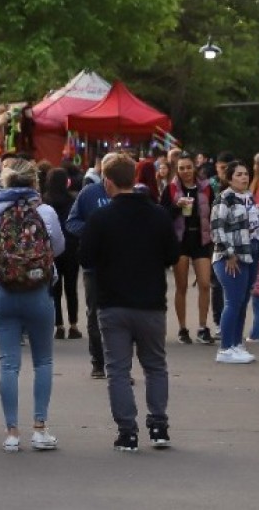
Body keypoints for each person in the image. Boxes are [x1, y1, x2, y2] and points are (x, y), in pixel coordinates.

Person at [82, 154, 178, 452]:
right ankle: (159, 425)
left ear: (108, 182)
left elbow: (85, 258)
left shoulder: (100, 218)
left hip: (113, 304)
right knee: (155, 366)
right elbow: (172, 256)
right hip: (151, 303)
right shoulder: (158, 214)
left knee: (118, 370)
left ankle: (128, 432)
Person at [0, 156, 67, 453]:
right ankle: (40, 430)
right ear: (34, 181)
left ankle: (12, 433)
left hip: (2, 292)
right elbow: (60, 247)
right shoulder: (46, 211)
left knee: (9, 364)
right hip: (39, 292)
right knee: (43, 361)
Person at [65, 154, 115, 378]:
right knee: (95, 314)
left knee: (120, 315)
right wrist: (94, 231)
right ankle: (98, 361)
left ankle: (119, 364)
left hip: (122, 267)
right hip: (94, 266)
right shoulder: (89, 193)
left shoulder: (130, 194)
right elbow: (71, 222)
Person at [162, 156, 215, 345]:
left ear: (195, 168)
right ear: (176, 170)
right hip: (180, 240)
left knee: (204, 283)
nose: (185, 171)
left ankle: (202, 327)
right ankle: (183, 328)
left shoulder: (206, 187)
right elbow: (163, 214)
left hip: (201, 238)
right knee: (182, 285)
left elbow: (214, 210)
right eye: (181, 168)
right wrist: (177, 206)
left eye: (188, 167)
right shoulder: (171, 189)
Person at [211, 162, 259, 363]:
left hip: (250, 255)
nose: (244, 177)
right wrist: (229, 254)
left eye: (246, 174)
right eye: (238, 174)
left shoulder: (248, 197)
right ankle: (225, 348)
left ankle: (236, 344)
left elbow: (256, 226)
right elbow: (217, 229)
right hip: (230, 258)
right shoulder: (225, 198)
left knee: (242, 302)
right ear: (229, 178)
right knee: (232, 302)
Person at [45, 168, 83, 340]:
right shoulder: (73, 200)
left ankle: (58, 325)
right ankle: (73, 325)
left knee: (54, 288)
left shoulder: (45, 201)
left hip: (51, 249)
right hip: (71, 247)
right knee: (71, 287)